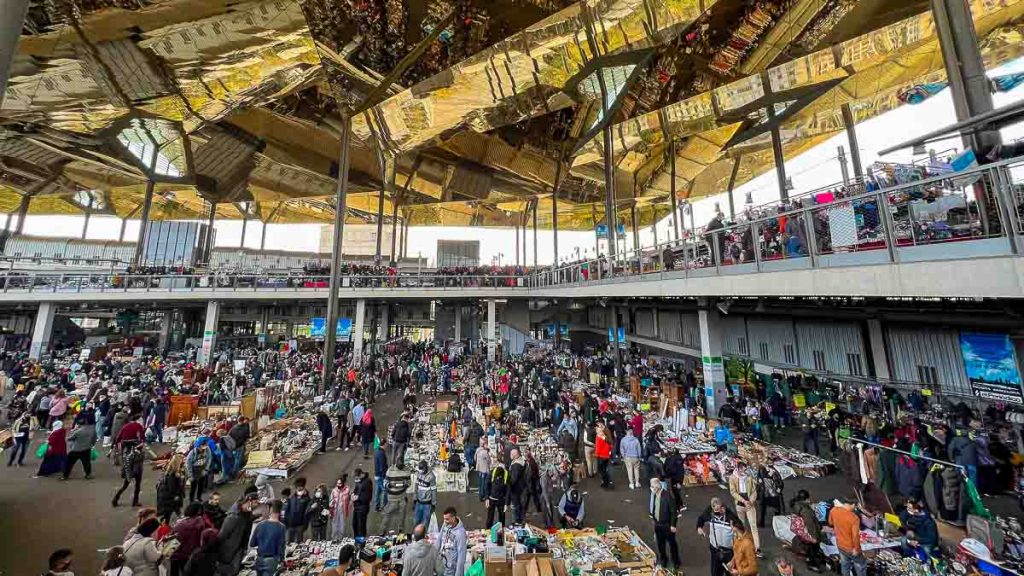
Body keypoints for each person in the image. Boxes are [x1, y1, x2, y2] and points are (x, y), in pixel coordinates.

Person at [697, 497, 742, 576]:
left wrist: (736, 531)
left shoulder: (730, 515)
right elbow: (701, 518)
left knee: (730, 573)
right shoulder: (709, 512)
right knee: (715, 573)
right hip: (715, 550)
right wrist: (699, 527)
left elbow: (740, 526)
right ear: (712, 507)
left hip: (728, 552)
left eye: (720, 509)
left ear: (722, 507)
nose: (718, 512)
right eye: (716, 511)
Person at [216, 493, 257, 576]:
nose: (254, 507)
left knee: (234, 571)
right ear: (248, 501)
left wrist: (244, 549)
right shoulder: (233, 517)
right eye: (254, 503)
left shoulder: (248, 515)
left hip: (238, 550)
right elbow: (222, 536)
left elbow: (247, 533)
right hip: (227, 552)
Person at [729, 462, 761, 557]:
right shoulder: (732, 478)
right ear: (738, 469)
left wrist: (750, 501)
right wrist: (743, 500)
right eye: (743, 470)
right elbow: (733, 492)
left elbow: (754, 491)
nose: (744, 472)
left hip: (749, 505)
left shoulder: (749, 477)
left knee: (753, 526)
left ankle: (757, 548)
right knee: (741, 526)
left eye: (745, 470)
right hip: (740, 505)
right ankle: (743, 547)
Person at [789, 490, 825, 572]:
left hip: (802, 532)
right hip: (809, 532)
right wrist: (814, 537)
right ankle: (812, 564)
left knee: (809, 547)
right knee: (812, 547)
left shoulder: (797, 506)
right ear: (806, 499)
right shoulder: (805, 510)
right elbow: (810, 524)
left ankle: (810, 559)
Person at [828, 498, 865, 576]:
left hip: (840, 544)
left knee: (845, 564)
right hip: (850, 547)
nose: (854, 508)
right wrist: (857, 549)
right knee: (860, 565)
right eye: (855, 506)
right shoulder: (854, 517)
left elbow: (830, 522)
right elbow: (855, 536)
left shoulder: (834, 510)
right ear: (853, 504)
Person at [250, 500, 286, 576]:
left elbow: (252, 543)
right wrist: (282, 560)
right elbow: (281, 546)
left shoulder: (260, 525)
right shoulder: (281, 527)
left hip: (259, 559)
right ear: (280, 511)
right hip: (271, 560)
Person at [170, 502, 208, 576]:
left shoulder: (181, 524)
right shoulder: (201, 523)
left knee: (174, 571)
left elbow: (174, 539)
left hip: (178, 554)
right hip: (191, 554)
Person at [113, 439, 146, 507]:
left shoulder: (130, 453)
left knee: (128, 486)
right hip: (135, 471)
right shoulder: (133, 454)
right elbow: (129, 464)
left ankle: (117, 498)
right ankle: (134, 501)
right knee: (134, 486)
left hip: (134, 471)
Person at [157, 454, 187, 523]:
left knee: (173, 508)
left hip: (171, 496)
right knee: (168, 512)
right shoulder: (172, 475)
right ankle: (164, 523)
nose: (184, 461)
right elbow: (172, 488)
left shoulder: (177, 470)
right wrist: (177, 495)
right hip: (170, 497)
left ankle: (175, 515)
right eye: (182, 460)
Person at [439, 507, 468, 576]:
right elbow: (439, 540)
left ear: (453, 518)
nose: (445, 521)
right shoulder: (445, 524)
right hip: (442, 565)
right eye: (444, 519)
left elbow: (461, 555)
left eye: (447, 519)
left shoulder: (460, 533)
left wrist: (458, 574)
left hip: (451, 569)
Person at [283, 477, 312, 543]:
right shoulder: (292, 498)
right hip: (291, 525)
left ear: (304, 487)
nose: (299, 489)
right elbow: (287, 510)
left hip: (300, 525)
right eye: (297, 488)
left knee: (299, 543)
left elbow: (307, 513)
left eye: (301, 488)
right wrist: (286, 522)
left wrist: (305, 525)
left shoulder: (307, 499)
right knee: (289, 542)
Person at [757, 462, 784, 527]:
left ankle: (777, 522)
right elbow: (758, 478)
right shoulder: (761, 470)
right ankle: (761, 522)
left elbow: (779, 481)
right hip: (764, 492)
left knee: (777, 508)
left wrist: (779, 488)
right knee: (762, 508)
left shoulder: (774, 472)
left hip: (773, 492)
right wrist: (759, 482)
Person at [186, 438, 213, 502]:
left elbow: (209, 458)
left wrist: (206, 469)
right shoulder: (192, 453)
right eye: (202, 445)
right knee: (193, 487)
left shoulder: (207, 449)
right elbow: (188, 464)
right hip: (194, 470)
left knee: (201, 485)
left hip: (202, 469)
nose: (205, 446)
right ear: (198, 445)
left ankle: (199, 497)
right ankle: (191, 500)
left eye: (205, 444)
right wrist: (190, 475)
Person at [414, 459, 438, 529]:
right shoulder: (418, 473)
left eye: (422, 469)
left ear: (425, 468)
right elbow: (416, 486)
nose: (420, 471)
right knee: (416, 521)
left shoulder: (431, 476)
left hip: (427, 504)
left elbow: (434, 490)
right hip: (418, 502)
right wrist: (415, 499)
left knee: (425, 522)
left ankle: (424, 536)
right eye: (419, 469)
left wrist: (433, 503)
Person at [351, 469, 373, 538]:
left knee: (361, 526)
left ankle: (361, 540)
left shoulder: (367, 482)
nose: (355, 479)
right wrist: (352, 494)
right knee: (355, 524)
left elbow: (368, 497)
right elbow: (356, 490)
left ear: (360, 475)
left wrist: (358, 498)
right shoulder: (359, 481)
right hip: (357, 506)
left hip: (363, 507)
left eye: (356, 477)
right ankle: (356, 539)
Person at [330, 474, 352, 540]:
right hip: (335, 510)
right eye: (337, 483)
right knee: (334, 524)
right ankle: (334, 537)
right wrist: (331, 504)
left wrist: (349, 507)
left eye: (339, 483)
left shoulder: (347, 490)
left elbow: (350, 499)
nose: (338, 485)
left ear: (343, 483)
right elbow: (331, 499)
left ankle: (340, 538)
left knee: (342, 524)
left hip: (343, 510)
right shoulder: (334, 491)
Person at [487, 462, 509, 528]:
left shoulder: (506, 474)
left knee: (502, 518)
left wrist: (506, 504)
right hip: (492, 499)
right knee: (490, 517)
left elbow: (508, 490)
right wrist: (487, 498)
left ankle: (502, 531)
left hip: (501, 500)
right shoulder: (492, 473)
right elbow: (487, 485)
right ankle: (488, 530)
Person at [508, 448, 527, 523]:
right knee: (519, 505)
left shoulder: (516, 465)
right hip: (520, 487)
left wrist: (508, 485)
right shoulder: (521, 461)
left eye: (510, 454)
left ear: (513, 455)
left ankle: (516, 521)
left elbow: (514, 478)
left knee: (515, 506)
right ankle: (519, 519)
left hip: (516, 489)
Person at [595, 424, 613, 488]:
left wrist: (596, 455)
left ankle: (605, 482)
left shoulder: (598, 438)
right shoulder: (606, 437)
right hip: (607, 456)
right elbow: (610, 446)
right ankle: (608, 481)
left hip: (601, 456)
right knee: (605, 469)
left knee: (601, 470)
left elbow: (598, 448)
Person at [374, 439, 389, 511]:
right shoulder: (382, 454)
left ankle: (377, 506)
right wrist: (385, 476)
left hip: (377, 475)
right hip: (381, 476)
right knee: (386, 490)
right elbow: (382, 466)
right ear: (385, 444)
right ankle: (385, 505)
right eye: (387, 444)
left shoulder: (377, 451)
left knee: (377, 491)